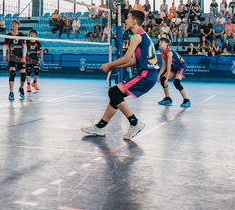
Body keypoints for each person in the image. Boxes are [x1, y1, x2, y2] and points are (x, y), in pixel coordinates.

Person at [81, 9, 159, 140]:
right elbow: (133, 61)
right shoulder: (142, 36)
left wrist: (109, 65)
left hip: (146, 75)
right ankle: (100, 126)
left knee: (114, 92)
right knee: (115, 97)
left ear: (134, 21)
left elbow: (126, 58)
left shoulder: (137, 37)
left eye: (128, 18)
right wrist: (113, 67)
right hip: (149, 75)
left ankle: (135, 123)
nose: (125, 21)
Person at [157, 38, 190, 107]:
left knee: (176, 83)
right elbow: (163, 67)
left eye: (162, 42)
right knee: (162, 80)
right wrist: (159, 75)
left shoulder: (169, 52)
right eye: (159, 42)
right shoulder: (162, 53)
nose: (160, 43)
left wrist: (167, 79)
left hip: (181, 66)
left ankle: (186, 100)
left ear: (166, 44)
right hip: (174, 67)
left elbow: (168, 67)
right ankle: (168, 99)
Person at [3, 19, 27, 101]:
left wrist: (24, 56)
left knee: (23, 75)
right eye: (12, 24)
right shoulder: (8, 35)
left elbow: (25, 47)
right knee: (12, 73)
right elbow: (5, 46)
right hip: (12, 58)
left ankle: (21, 88)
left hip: (20, 58)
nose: (13, 25)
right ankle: (11, 93)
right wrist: (4, 55)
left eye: (15, 24)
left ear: (18, 26)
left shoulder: (22, 35)